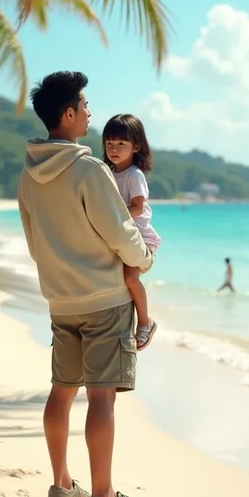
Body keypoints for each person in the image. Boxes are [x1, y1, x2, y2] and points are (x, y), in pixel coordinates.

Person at [18, 72, 158, 497]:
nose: (91, 113)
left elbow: (33, 239)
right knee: (102, 398)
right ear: (69, 113)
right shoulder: (90, 169)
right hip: (104, 300)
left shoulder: (28, 174)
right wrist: (145, 261)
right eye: (85, 105)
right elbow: (120, 232)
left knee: (61, 393)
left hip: (61, 301)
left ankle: (62, 486)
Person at [102, 114, 161, 350]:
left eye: (121, 144)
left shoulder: (134, 175)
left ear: (136, 146)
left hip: (140, 237)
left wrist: (112, 215)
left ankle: (146, 323)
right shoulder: (107, 172)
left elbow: (137, 207)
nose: (114, 149)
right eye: (109, 144)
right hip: (119, 233)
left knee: (129, 278)